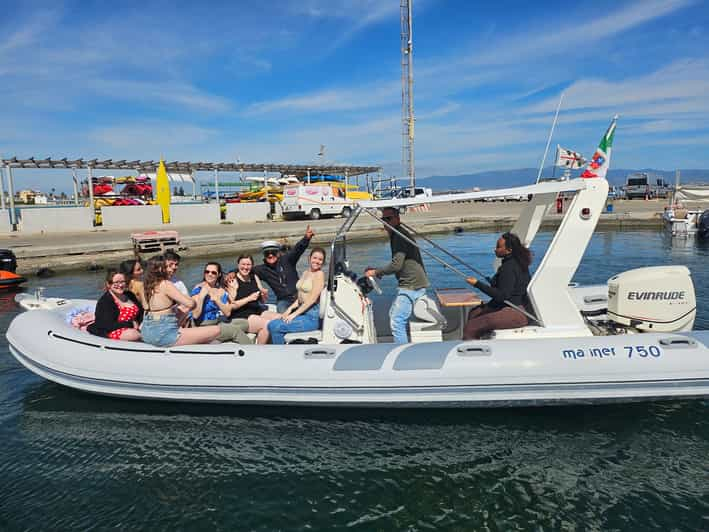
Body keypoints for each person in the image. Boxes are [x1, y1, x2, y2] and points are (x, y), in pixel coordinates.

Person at [365, 207, 429, 344]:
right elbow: (398, 264)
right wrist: (379, 271)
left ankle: (402, 354)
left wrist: (376, 272)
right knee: (394, 316)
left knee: (397, 321)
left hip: (411, 285)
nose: (386, 222)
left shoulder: (398, 236)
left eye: (389, 219)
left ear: (397, 219)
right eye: (384, 219)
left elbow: (396, 265)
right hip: (416, 282)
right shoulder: (398, 233)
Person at [463, 232, 533, 340]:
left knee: (471, 327)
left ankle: (471, 353)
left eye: (498, 247)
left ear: (509, 250)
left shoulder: (508, 267)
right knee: (474, 313)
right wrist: (493, 282)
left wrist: (477, 284)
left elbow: (502, 296)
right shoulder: (515, 262)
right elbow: (509, 286)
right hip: (508, 306)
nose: (495, 249)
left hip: (516, 311)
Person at [141, 256, 220, 347]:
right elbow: (191, 304)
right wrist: (198, 297)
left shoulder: (144, 286)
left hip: (146, 331)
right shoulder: (165, 284)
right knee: (217, 330)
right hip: (163, 333)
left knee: (182, 309)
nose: (170, 269)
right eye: (167, 267)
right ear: (160, 269)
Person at [267, 247, 326, 344]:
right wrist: (289, 310)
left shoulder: (319, 275)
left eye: (320, 259)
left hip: (312, 317)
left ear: (323, 262)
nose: (317, 261)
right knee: (272, 324)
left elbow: (312, 300)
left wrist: (294, 315)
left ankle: (280, 355)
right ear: (309, 258)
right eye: (315, 258)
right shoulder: (306, 273)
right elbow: (300, 298)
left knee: (274, 326)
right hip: (303, 312)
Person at [254, 225, 314, 313]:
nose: (270, 255)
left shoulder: (287, 259)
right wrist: (232, 273)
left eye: (273, 252)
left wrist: (306, 238)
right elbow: (245, 268)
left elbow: (298, 249)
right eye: (267, 253)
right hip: (283, 301)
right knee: (282, 313)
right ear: (264, 255)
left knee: (308, 312)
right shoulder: (262, 269)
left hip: (299, 296)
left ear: (278, 253)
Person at [191, 261, 252, 344]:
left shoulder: (221, 290)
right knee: (235, 331)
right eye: (207, 271)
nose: (209, 274)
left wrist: (218, 300)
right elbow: (195, 315)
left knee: (245, 323)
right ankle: (252, 352)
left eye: (213, 272)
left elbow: (227, 313)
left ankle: (218, 338)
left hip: (218, 322)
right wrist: (201, 297)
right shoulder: (198, 289)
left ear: (219, 274)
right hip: (203, 326)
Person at [225, 255, 280, 344]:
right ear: (238, 265)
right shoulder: (232, 280)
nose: (245, 267)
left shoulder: (254, 277)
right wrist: (249, 298)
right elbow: (231, 306)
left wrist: (263, 295)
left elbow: (262, 301)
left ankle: (276, 347)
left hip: (256, 310)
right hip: (241, 315)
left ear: (252, 266)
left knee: (280, 318)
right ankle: (258, 352)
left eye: (248, 264)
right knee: (267, 325)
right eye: (243, 264)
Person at [88, 269, 143, 341]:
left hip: (135, 327)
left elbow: (141, 311)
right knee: (133, 334)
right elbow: (106, 325)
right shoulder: (105, 301)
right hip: (114, 331)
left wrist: (141, 323)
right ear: (109, 284)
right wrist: (131, 324)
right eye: (116, 282)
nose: (120, 285)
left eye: (122, 282)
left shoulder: (129, 295)